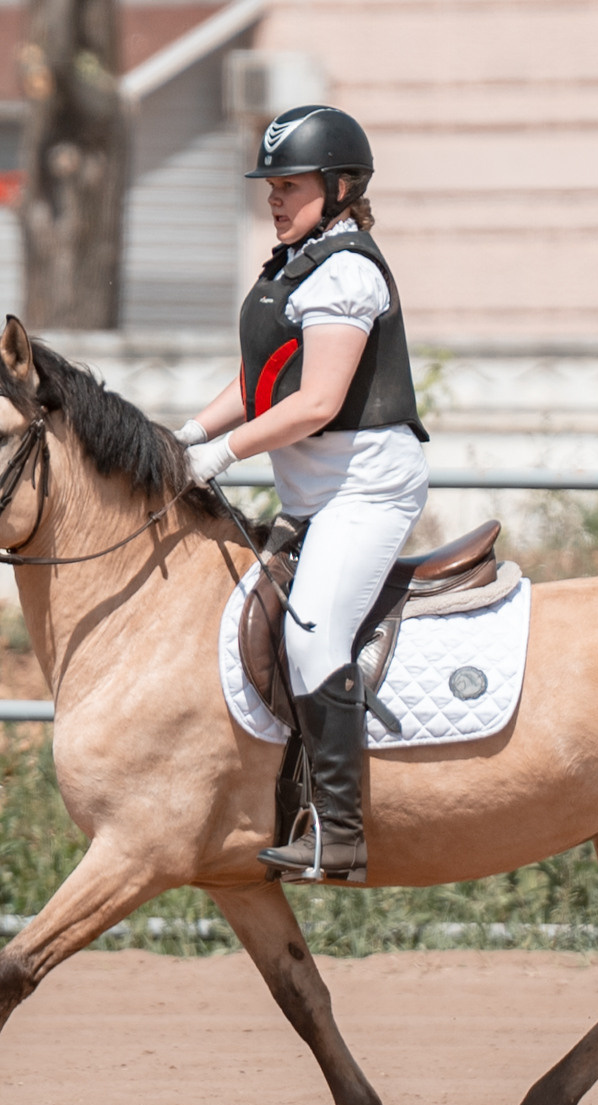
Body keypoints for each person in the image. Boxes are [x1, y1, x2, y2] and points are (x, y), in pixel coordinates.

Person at [176, 105, 429, 882]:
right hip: (317, 493)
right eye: (271, 186)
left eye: (289, 185)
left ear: (340, 186)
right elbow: (259, 386)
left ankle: (341, 834)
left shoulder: (347, 272)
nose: (275, 199)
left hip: (365, 491)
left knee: (314, 636)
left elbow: (316, 403)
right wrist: (182, 438)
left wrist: (221, 456)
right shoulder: (292, 265)